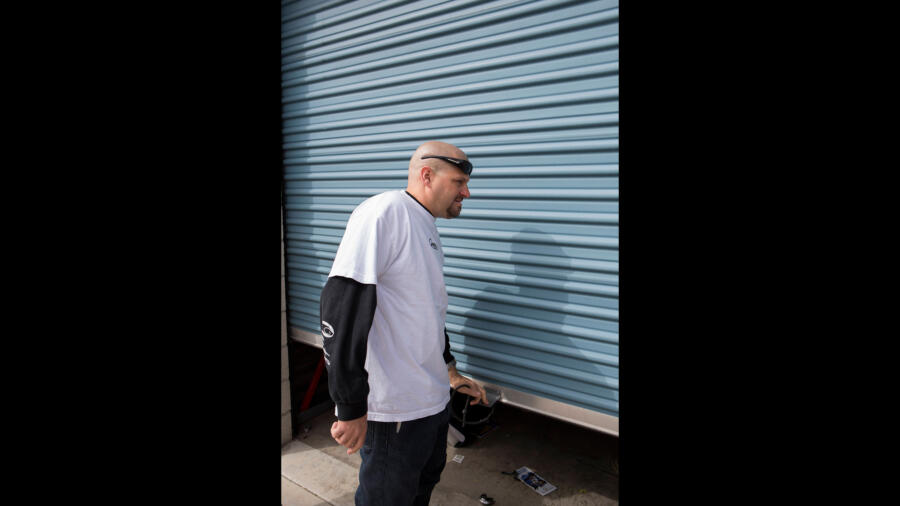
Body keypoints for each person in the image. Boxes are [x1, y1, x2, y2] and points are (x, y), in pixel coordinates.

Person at [320, 140, 488, 505]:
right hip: (395, 412)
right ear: (427, 175)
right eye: (459, 182)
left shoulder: (425, 226)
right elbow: (341, 307)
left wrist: (451, 373)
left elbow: (426, 313)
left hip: (430, 404)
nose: (466, 192)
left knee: (419, 491)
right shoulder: (384, 213)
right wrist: (350, 406)